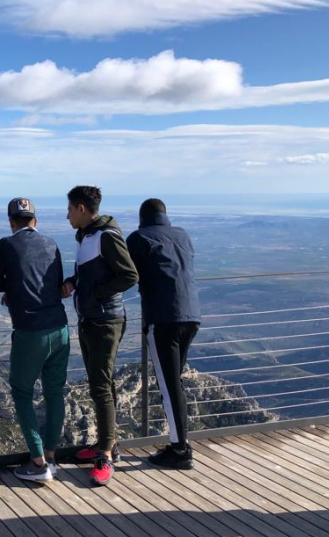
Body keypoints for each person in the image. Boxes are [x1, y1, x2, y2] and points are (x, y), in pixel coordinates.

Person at [0, 197, 69, 483]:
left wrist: (12, 289)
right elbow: (57, 284)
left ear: (11, 222)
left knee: (22, 392)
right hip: (60, 327)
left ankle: (37, 463)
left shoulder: (7, 245)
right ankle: (51, 456)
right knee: (54, 391)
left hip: (30, 329)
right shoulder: (51, 243)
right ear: (35, 220)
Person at [61, 186, 138, 487]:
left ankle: (105, 453)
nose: (67, 215)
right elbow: (92, 274)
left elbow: (129, 275)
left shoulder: (105, 236)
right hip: (92, 318)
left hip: (105, 321)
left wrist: (95, 293)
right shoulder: (87, 237)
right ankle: (109, 441)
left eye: (69, 209)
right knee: (99, 383)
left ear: (81, 208)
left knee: (102, 386)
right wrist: (73, 282)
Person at [127, 198, 200, 469]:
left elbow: (127, 273)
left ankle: (181, 451)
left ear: (141, 216)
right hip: (191, 315)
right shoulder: (183, 235)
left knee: (169, 387)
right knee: (174, 382)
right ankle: (177, 443)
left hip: (162, 317)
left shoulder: (140, 237)